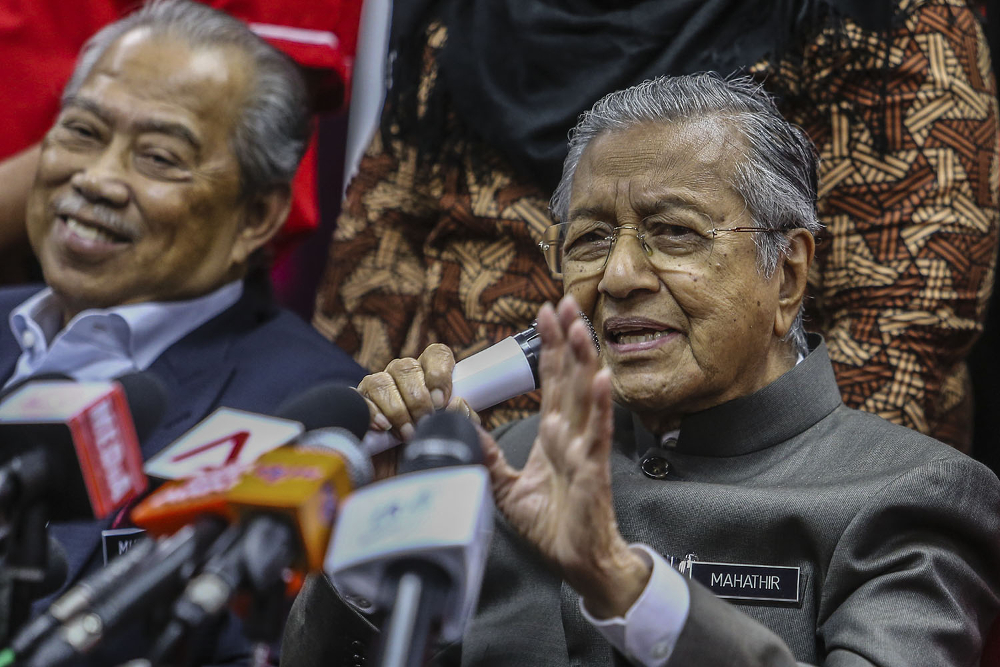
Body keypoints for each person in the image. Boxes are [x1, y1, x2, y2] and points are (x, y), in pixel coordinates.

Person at [283, 74, 1000, 666]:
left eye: (675, 232)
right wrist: (378, 531)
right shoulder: (503, 463)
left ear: (788, 275)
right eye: (591, 239)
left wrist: (622, 583)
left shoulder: (905, 492)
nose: (619, 275)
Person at [312, 0, 999, 452]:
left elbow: (906, 324)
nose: (619, 273)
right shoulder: (467, 17)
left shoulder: (869, 18)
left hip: (752, 488)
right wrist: (387, 434)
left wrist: (693, 494)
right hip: (466, 471)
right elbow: (370, 280)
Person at [0, 0, 365, 662]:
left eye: (159, 157)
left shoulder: (301, 408)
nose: (97, 178)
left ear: (257, 216)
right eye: (81, 130)